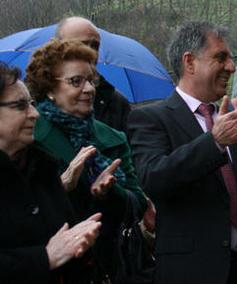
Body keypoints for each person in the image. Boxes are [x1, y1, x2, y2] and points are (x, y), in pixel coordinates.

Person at [127, 21, 237, 284]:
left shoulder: (233, 116)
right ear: (189, 62)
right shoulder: (151, 119)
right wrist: (213, 143)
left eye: (231, 59)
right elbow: (154, 178)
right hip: (193, 272)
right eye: (221, 57)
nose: (231, 67)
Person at [25, 39, 147, 282]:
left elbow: (138, 205)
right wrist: (62, 187)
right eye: (76, 81)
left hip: (110, 267)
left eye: (91, 80)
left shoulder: (112, 137)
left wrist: (109, 193)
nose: (89, 89)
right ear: (49, 88)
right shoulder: (29, 137)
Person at [0, 62, 103, 284]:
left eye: (32, 104)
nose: (34, 114)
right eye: (20, 106)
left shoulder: (42, 168)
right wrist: (44, 258)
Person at [55, 16, 131, 133]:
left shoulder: (116, 103)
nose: (91, 52)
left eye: (95, 46)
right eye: (81, 44)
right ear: (58, 47)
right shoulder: (32, 102)